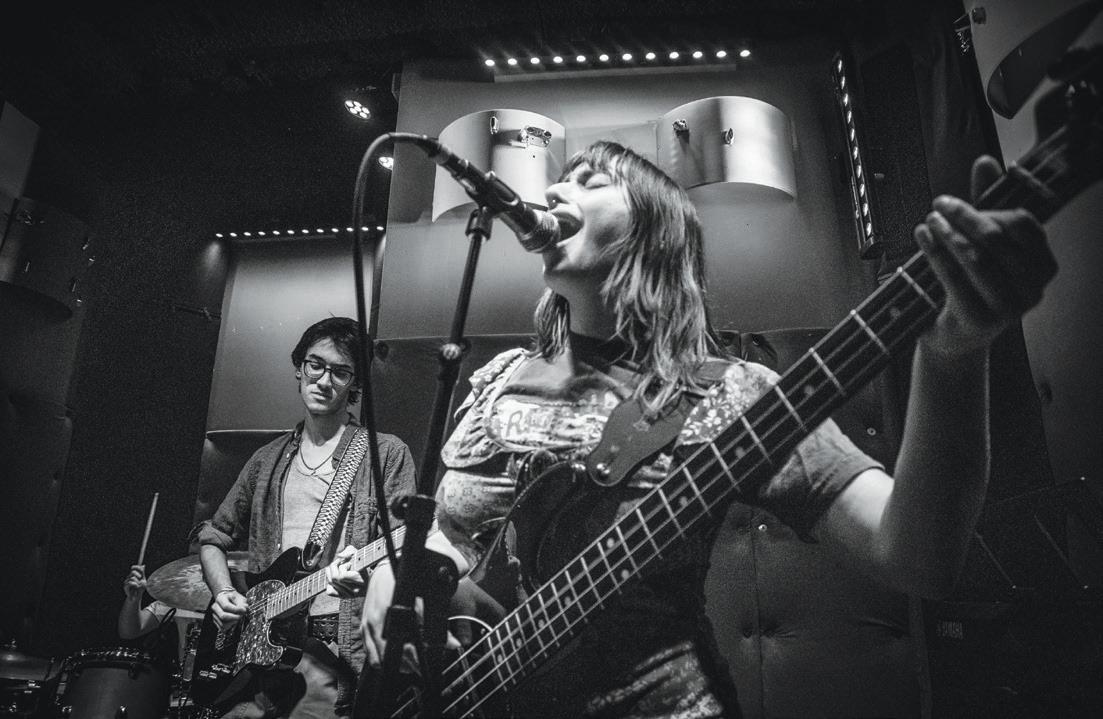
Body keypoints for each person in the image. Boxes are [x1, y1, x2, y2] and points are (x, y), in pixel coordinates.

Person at [357, 140, 1057, 718]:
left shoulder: (732, 393)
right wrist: (398, 569)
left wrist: (953, 356)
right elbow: (454, 535)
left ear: (653, 234)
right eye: (560, 180)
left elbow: (917, 556)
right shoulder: (498, 378)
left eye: (591, 181)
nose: (553, 193)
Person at [196, 317, 418, 718]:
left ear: (355, 384)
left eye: (341, 372)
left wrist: (369, 578)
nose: (324, 380)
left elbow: (404, 550)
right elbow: (213, 536)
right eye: (316, 365)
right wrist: (223, 592)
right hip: (258, 651)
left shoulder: (385, 453)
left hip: (332, 651)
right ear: (300, 367)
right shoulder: (265, 460)